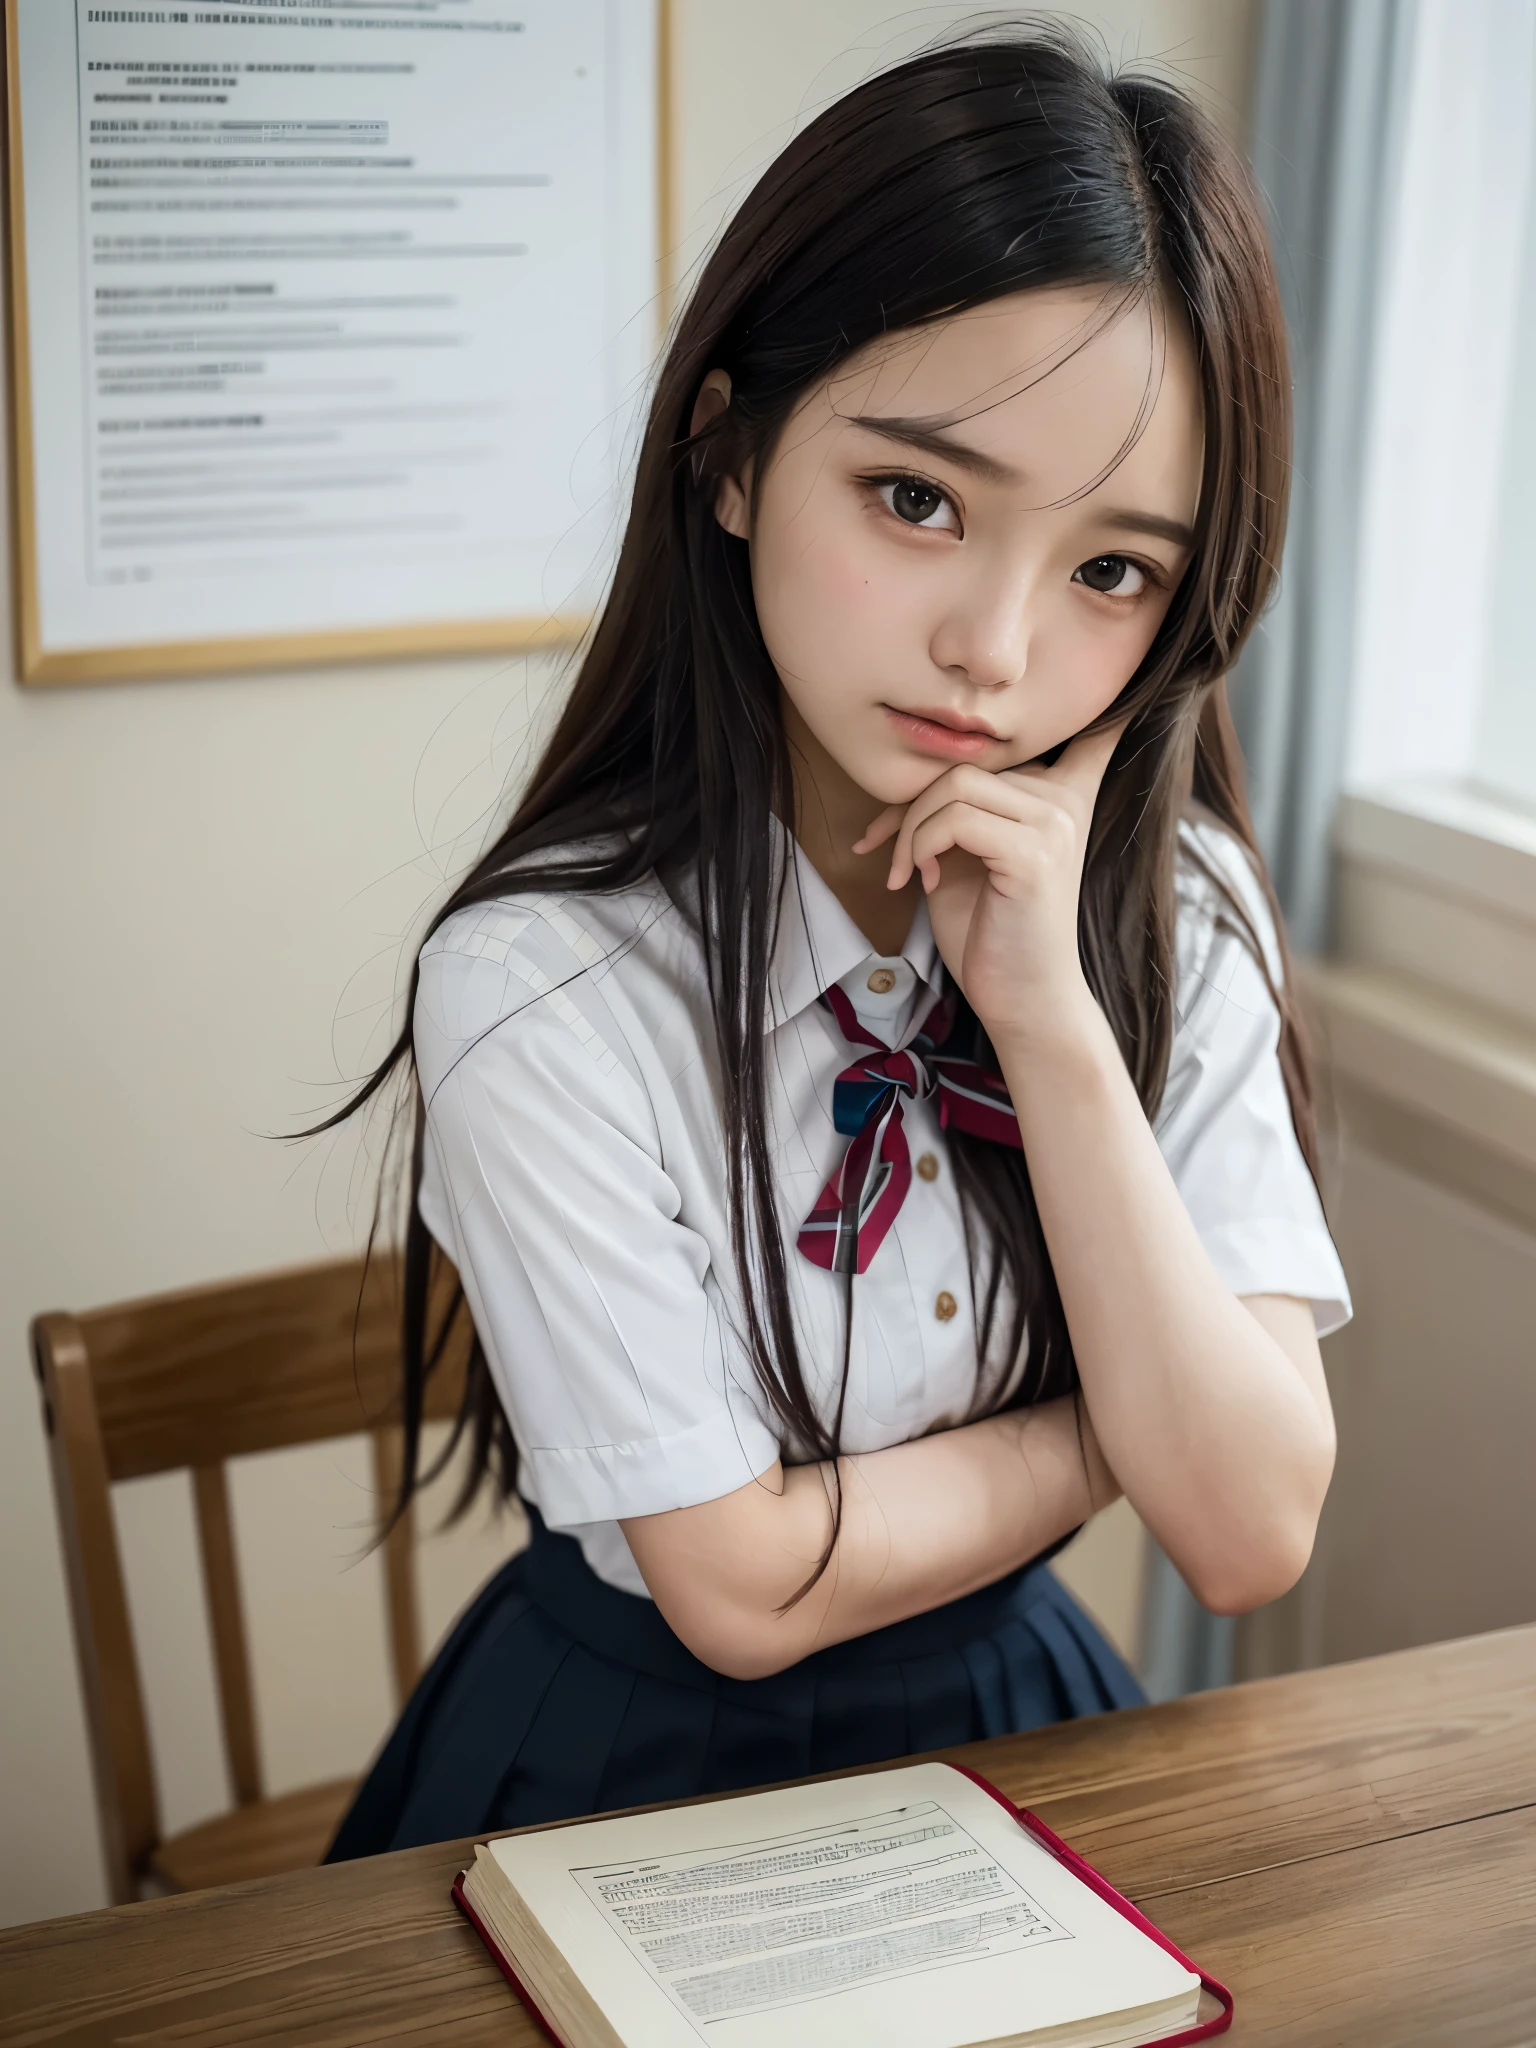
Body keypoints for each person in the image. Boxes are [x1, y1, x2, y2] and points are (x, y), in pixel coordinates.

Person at [324, 24, 1349, 1860]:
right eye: (919, 500)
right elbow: (733, 1589)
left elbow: (1258, 1523)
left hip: (1024, 1736)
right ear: (731, 459)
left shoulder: (1174, 905)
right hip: (625, 1764)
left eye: (1112, 568)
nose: (997, 647)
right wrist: (1118, 1419)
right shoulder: (544, 988)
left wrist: (1046, 1018)